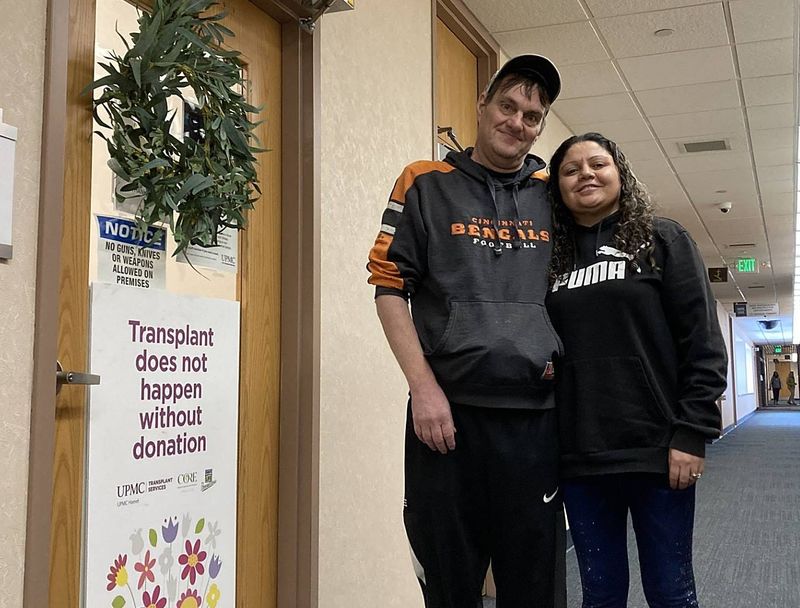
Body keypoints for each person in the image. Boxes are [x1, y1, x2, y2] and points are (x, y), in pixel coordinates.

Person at [367, 55, 565, 607]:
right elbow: (388, 289)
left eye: (533, 115)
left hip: (535, 421)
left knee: (534, 588)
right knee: (451, 585)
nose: (517, 122)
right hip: (445, 419)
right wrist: (423, 388)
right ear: (483, 105)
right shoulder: (424, 183)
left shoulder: (553, 196)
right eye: (508, 105)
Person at [545, 132, 727, 608]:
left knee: (670, 589)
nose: (586, 173)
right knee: (600, 592)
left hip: (659, 450)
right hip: (581, 454)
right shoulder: (549, 259)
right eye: (571, 169)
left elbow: (703, 345)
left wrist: (692, 433)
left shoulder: (662, 238)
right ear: (558, 187)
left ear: (620, 175)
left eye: (598, 164)